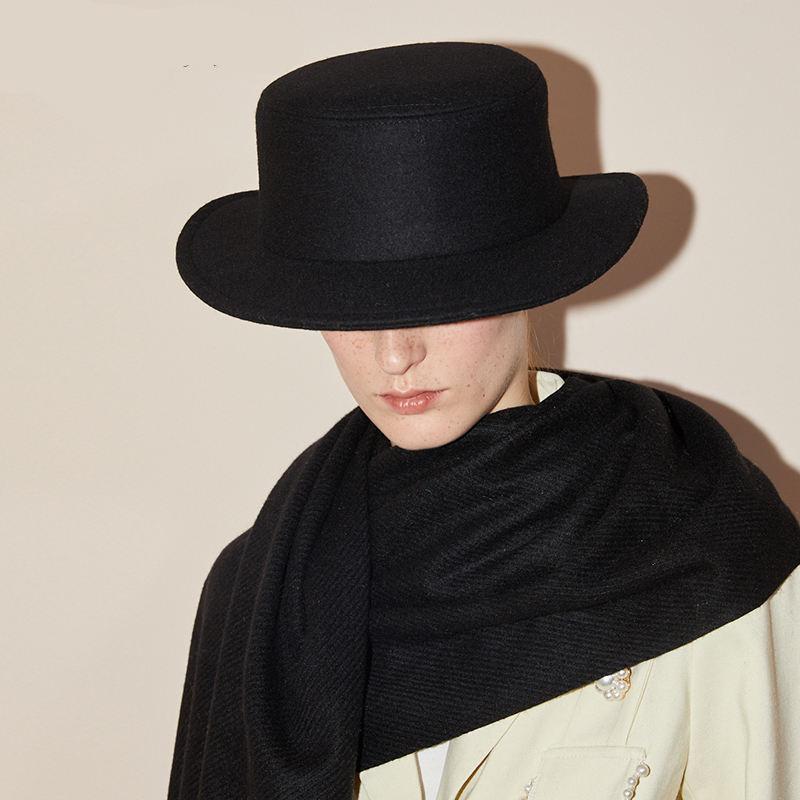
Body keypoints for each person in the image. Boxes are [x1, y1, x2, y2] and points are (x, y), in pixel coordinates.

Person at [167, 42, 800, 800]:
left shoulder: (705, 547)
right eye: (349, 307)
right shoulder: (263, 590)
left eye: (442, 300)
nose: (394, 355)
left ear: (529, 282)